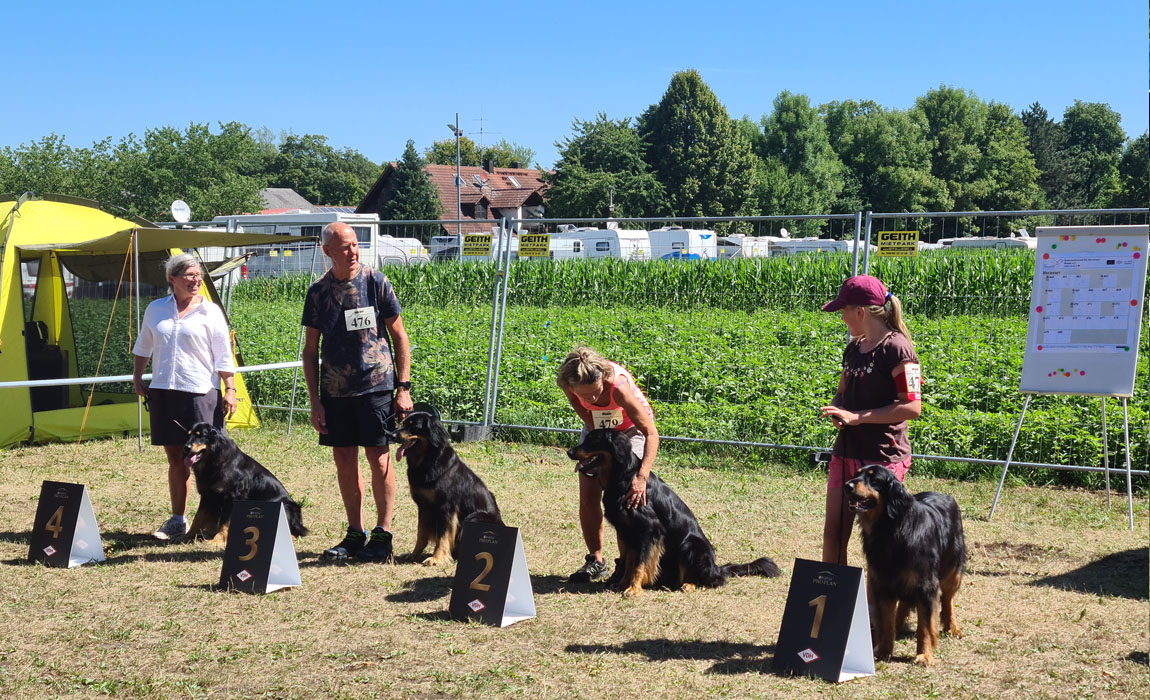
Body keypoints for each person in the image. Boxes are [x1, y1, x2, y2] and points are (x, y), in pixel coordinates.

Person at [303, 221, 413, 562]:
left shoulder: (376, 282)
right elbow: (310, 350)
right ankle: (354, 533)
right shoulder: (318, 292)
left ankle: (383, 534)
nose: (352, 251)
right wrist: (315, 400)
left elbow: (400, 338)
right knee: (344, 462)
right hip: (335, 393)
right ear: (327, 251)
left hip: (376, 387)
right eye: (344, 247)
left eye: (354, 244)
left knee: (378, 459)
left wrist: (403, 388)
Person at [133, 253, 238, 542]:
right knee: (177, 460)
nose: (196, 280)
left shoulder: (211, 311)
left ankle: (216, 522)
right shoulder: (156, 309)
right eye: (189, 275)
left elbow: (223, 354)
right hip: (164, 391)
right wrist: (138, 376)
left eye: (198, 275)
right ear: (173, 279)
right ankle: (177, 521)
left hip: (201, 393)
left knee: (212, 461)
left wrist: (230, 388)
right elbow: (144, 345)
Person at [819, 275, 921, 565]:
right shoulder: (853, 348)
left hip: (882, 460)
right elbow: (841, 393)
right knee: (834, 532)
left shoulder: (899, 349)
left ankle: (880, 606)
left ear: (860, 312)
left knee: (879, 538)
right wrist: (839, 410)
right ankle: (834, 598)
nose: (842, 318)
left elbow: (912, 407)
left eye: (843, 312)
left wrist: (858, 418)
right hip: (846, 452)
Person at [557, 347, 659, 582]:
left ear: (603, 378)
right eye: (585, 395)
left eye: (595, 392)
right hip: (599, 429)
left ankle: (625, 564)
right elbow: (583, 409)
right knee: (589, 493)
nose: (591, 398)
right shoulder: (569, 384)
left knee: (625, 498)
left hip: (632, 430)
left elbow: (651, 433)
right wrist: (597, 432)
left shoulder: (618, 386)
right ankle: (596, 560)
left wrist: (642, 476)